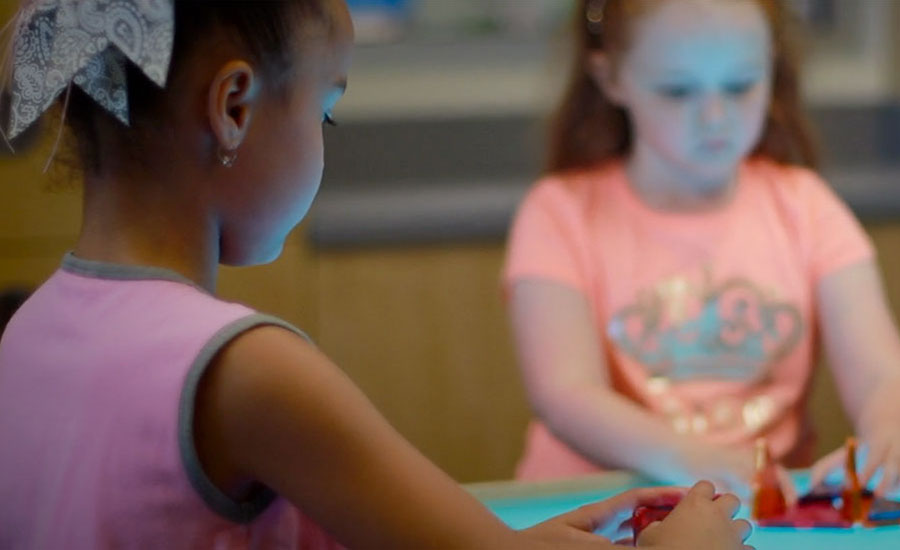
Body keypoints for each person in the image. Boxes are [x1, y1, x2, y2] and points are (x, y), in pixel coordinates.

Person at [0, 1, 751, 548]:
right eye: (326, 113)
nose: (324, 142)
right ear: (233, 107)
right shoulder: (248, 370)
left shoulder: (26, 332)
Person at [503, 0, 900, 499]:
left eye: (739, 86)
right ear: (611, 79)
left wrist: (890, 429)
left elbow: (880, 372)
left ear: (771, 68)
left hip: (753, 514)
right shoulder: (560, 213)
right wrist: (692, 459)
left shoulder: (807, 207)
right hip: (592, 510)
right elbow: (565, 393)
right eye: (677, 91)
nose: (715, 117)